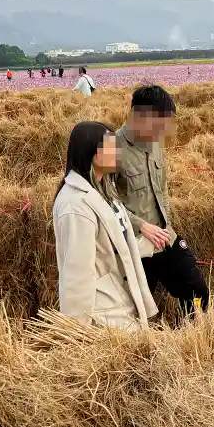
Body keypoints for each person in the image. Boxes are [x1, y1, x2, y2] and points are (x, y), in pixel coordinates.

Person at [53, 121, 158, 330]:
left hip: (118, 301)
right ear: (92, 152)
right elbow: (76, 274)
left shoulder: (104, 190)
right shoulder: (75, 205)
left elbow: (114, 244)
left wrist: (149, 245)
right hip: (102, 314)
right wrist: (78, 332)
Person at [114, 86, 209, 317]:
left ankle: (194, 332)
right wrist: (141, 226)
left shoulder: (156, 143)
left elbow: (161, 186)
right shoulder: (110, 146)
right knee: (135, 311)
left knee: (196, 290)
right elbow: (105, 201)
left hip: (165, 239)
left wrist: (165, 221)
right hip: (135, 246)